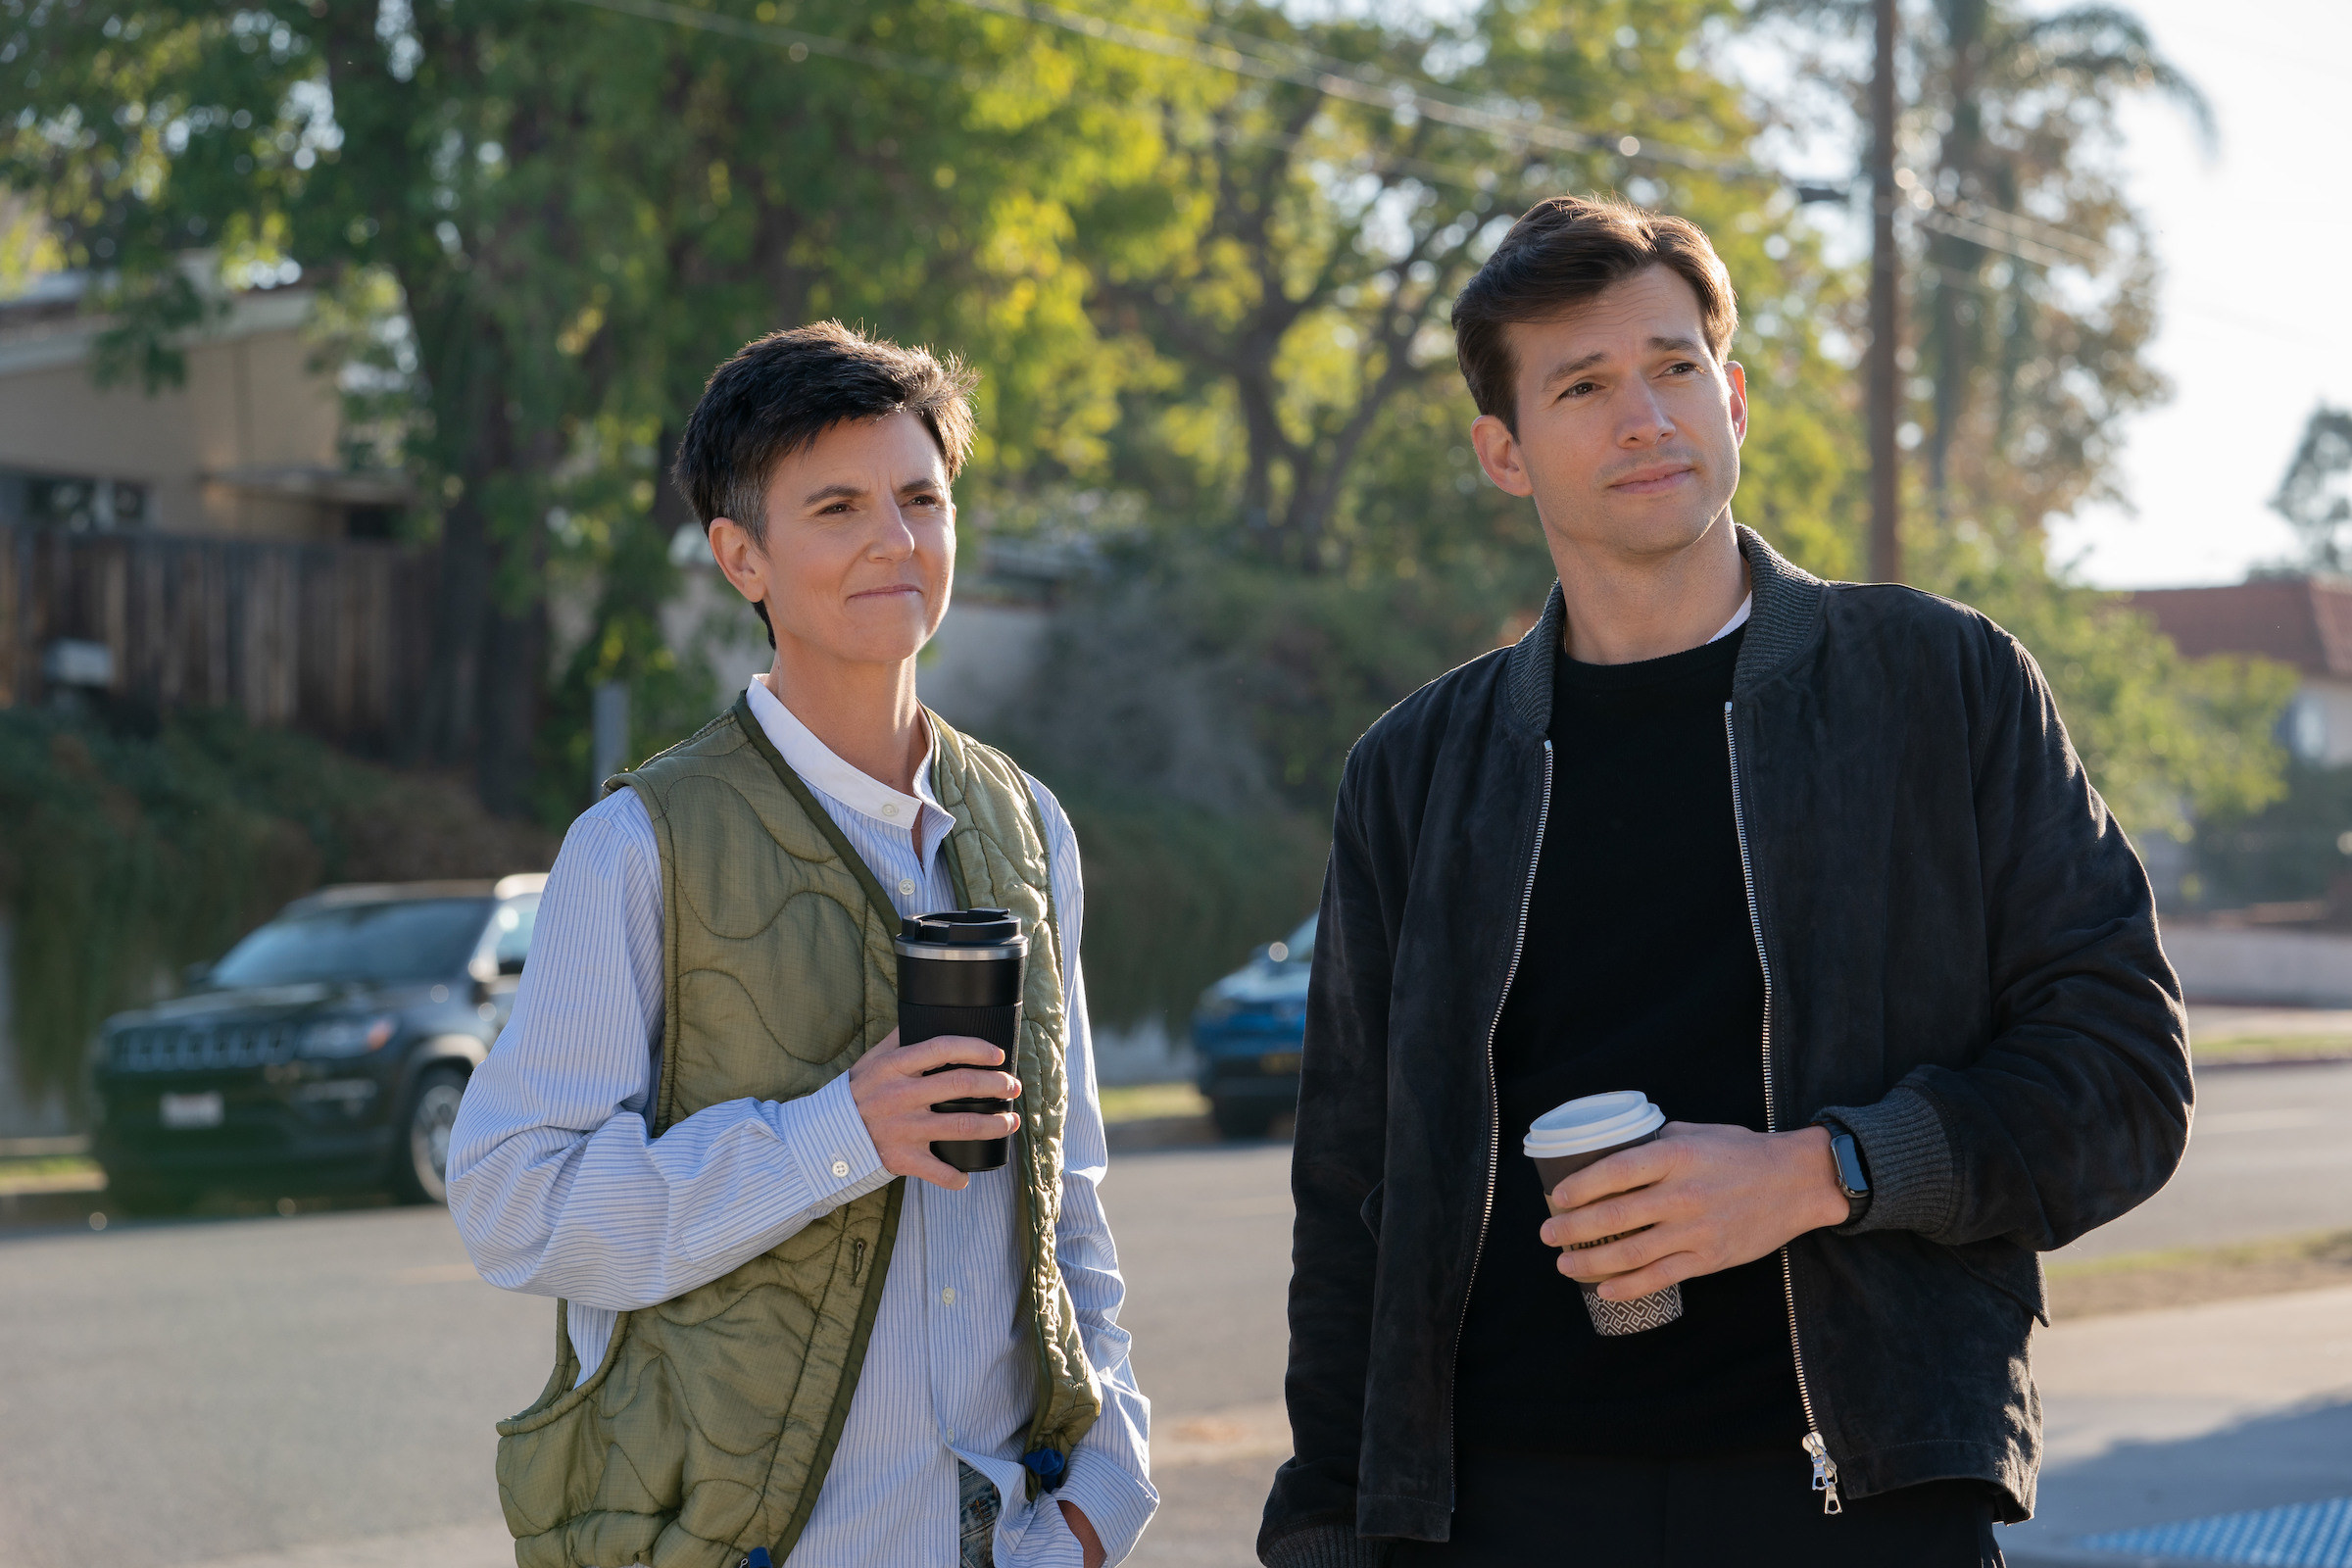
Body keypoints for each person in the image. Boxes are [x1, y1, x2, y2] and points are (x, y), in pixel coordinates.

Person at [1256, 196, 2190, 1568]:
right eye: (1583, 385)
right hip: (1499, 1507)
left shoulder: (1942, 685)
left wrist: (1825, 1172)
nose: (1645, 415)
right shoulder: (1414, 771)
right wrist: (1328, 1535)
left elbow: (2124, 1078)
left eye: (1675, 366)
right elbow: (1349, 1200)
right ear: (1502, 453)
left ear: (1734, 398)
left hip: (1858, 1493)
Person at [447, 321, 1154, 1568]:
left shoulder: (1032, 823)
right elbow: (515, 1200)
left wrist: (1106, 1489)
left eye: (922, 498)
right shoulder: (637, 843)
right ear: (742, 558)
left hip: (1011, 1537)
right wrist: (838, 1135)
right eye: (837, 506)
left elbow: (1070, 1187)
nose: (897, 539)